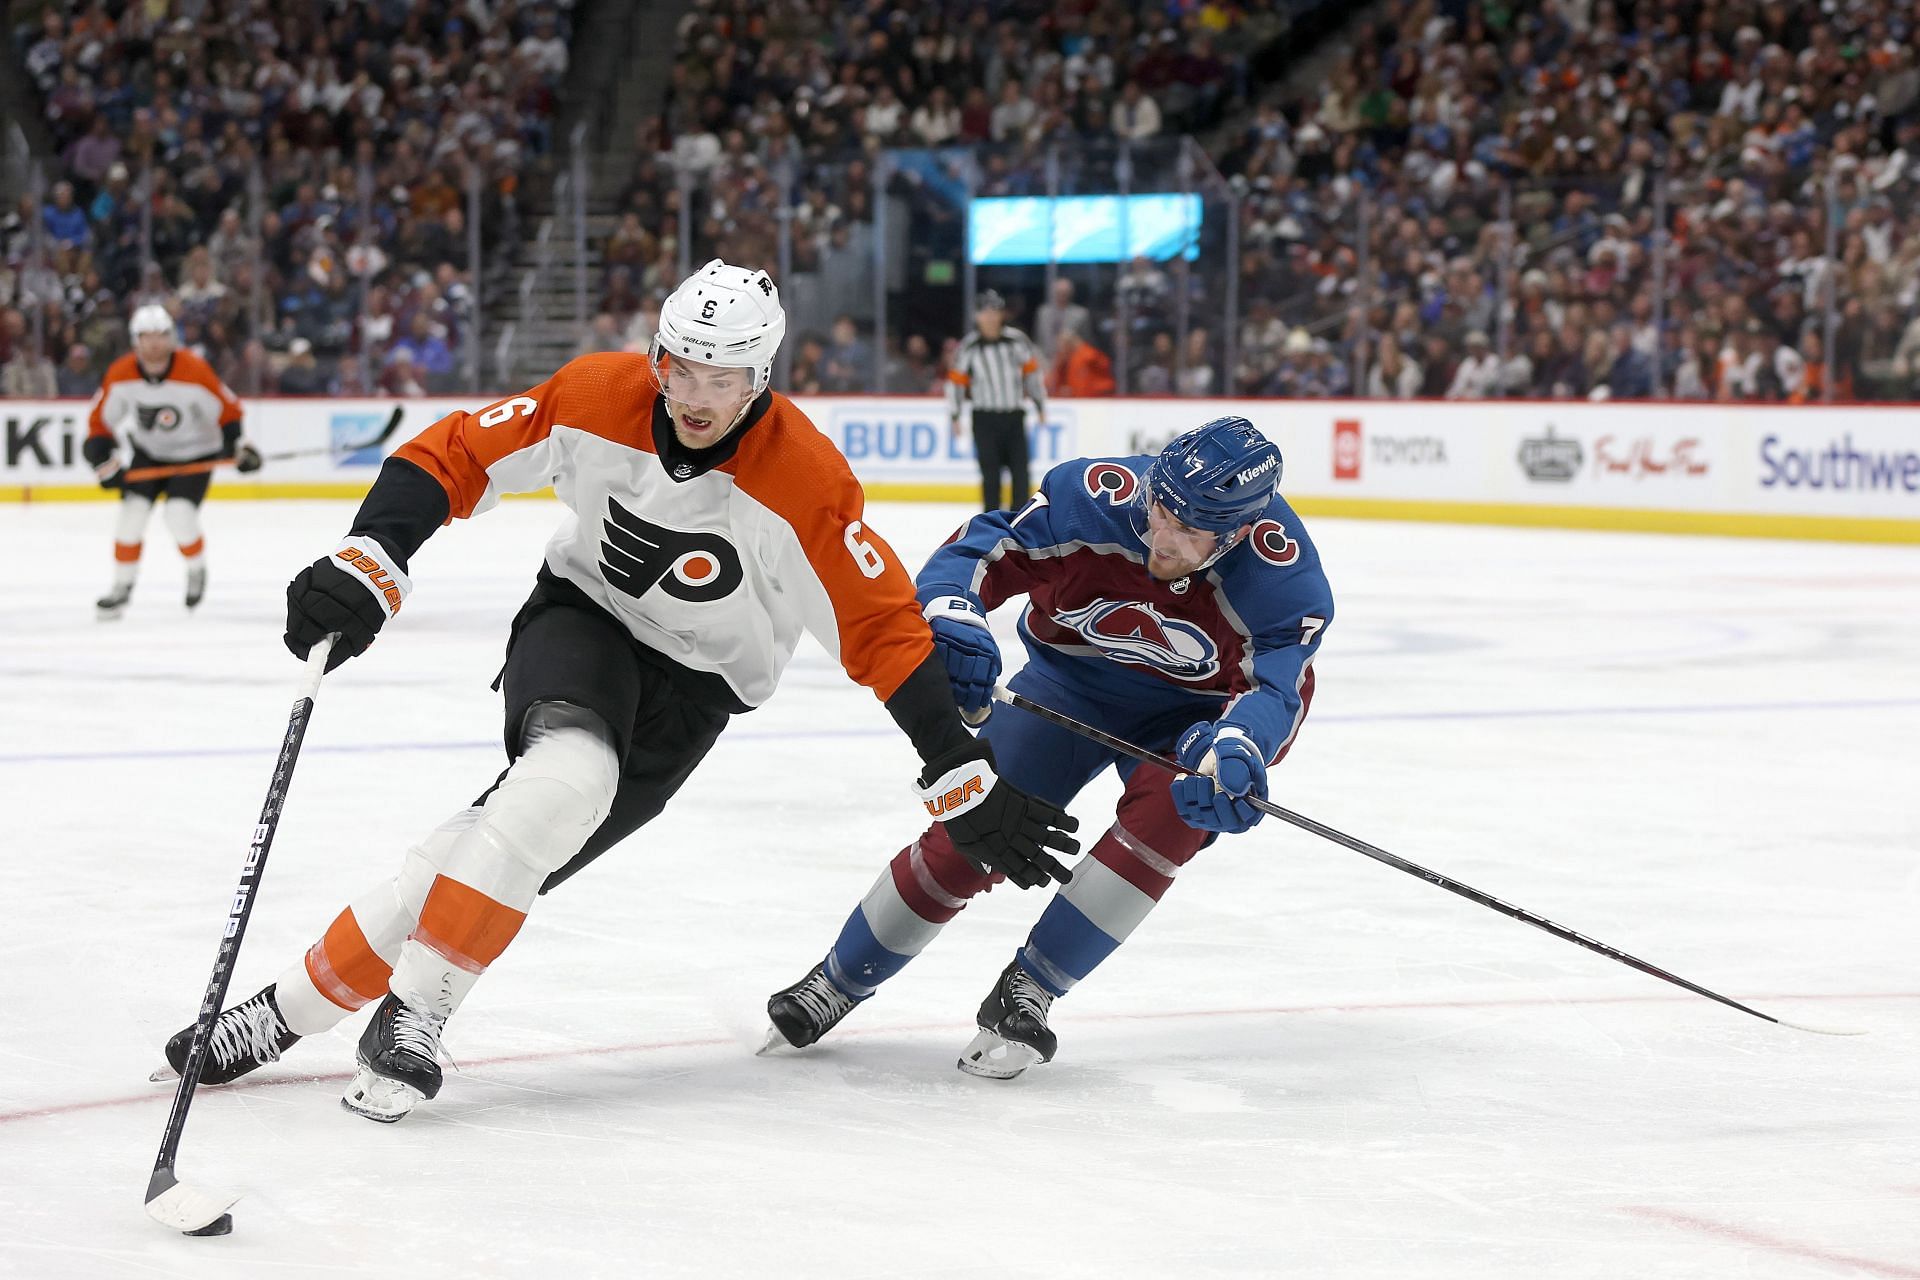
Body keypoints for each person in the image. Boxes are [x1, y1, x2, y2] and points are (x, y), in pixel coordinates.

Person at [157, 260, 1080, 1122]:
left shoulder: (804, 479)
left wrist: (958, 768)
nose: (699, 397)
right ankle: (414, 1015)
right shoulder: (597, 395)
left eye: (726, 378)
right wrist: (371, 555)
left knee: (497, 850)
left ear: (761, 377)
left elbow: (880, 629)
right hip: (584, 621)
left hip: (698, 694)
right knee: (568, 777)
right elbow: (455, 453)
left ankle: (278, 1014)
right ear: (658, 358)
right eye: (683, 370)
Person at [763, 415, 1334, 1079]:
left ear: (1234, 534)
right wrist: (955, 618)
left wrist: (1236, 750)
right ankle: (838, 979)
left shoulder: (1284, 582)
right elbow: (979, 553)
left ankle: (1030, 988)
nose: (1160, 536)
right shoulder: (1092, 496)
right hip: (1066, 685)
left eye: (1187, 530)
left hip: (1188, 720)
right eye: (1159, 509)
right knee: (972, 832)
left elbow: (1277, 691)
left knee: (1169, 823)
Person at [83, 305, 261, 617]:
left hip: (195, 455)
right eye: (146, 337)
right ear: (135, 340)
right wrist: (104, 463)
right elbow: (100, 424)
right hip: (149, 453)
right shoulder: (121, 373)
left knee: (178, 515)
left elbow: (228, 412)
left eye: (161, 336)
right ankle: (121, 587)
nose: (153, 344)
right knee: (131, 516)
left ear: (171, 338)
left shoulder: (194, 370)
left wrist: (239, 448)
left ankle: (196, 569)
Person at [947, 290, 1046, 512]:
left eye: (995, 312)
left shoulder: (1016, 341)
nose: (991, 318)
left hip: (1013, 416)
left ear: (1002, 314)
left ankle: (1020, 523)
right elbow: (956, 382)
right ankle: (992, 525)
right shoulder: (969, 347)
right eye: (986, 313)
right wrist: (954, 414)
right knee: (990, 475)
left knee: (1020, 473)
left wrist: (1040, 403)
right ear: (977, 316)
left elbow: (1032, 374)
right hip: (984, 418)